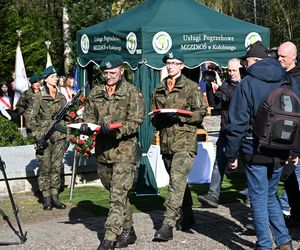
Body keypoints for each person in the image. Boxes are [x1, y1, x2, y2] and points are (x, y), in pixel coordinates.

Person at [225, 41, 297, 249]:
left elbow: (237, 123)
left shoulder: (248, 83)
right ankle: (283, 240)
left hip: (254, 147)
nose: (244, 65)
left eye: (246, 60)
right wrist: (295, 150)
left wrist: (231, 155)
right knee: (269, 194)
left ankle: (264, 244)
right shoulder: (288, 80)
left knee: (258, 197)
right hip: (282, 148)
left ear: (255, 61)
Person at [79, 54, 145, 250]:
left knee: (117, 195)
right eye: (105, 73)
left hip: (124, 151)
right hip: (103, 152)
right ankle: (129, 230)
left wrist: (117, 129)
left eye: (112, 72)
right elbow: (89, 116)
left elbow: (136, 121)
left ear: (122, 70)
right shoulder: (96, 92)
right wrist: (86, 127)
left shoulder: (133, 92)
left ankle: (109, 238)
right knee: (115, 191)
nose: (108, 76)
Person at [151, 50, 206, 241]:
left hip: (185, 143)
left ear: (182, 65)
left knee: (175, 181)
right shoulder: (158, 89)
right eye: (168, 62)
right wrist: (159, 117)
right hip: (166, 142)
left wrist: (180, 116)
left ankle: (167, 225)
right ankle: (188, 213)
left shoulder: (191, 87)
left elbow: (200, 114)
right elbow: (153, 118)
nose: (170, 66)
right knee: (179, 182)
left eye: (175, 63)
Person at [198, 58, 243, 208]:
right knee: (219, 162)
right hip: (226, 130)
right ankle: (213, 195)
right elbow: (214, 104)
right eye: (229, 71)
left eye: (234, 70)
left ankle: (252, 194)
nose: (231, 74)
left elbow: (235, 98)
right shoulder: (227, 85)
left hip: (242, 131)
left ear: (241, 70)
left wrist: (222, 86)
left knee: (248, 165)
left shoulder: (246, 84)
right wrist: (211, 87)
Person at [25, 66, 68, 211]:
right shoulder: (38, 97)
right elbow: (29, 118)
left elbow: (67, 118)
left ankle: (55, 196)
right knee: (45, 167)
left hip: (59, 137)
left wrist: (66, 134)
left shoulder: (61, 97)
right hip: (45, 137)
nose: (56, 78)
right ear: (46, 79)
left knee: (56, 166)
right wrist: (38, 135)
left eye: (56, 76)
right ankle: (46, 198)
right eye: (53, 76)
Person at [277, 41, 300, 227]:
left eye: (283, 56)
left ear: (294, 56)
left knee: (293, 177)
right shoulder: (277, 75)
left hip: (296, 135)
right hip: (281, 133)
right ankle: (294, 215)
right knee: (290, 179)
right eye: (278, 56)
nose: (279, 59)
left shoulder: (298, 77)